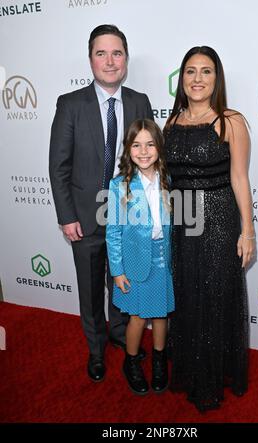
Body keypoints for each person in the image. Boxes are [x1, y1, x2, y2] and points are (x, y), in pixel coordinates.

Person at [49, 24, 153, 383]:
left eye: (117, 53)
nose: (110, 61)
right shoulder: (71, 104)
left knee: (124, 283)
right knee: (91, 288)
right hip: (84, 218)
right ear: (90, 58)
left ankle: (122, 336)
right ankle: (95, 350)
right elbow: (59, 166)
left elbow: (149, 161)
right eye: (101, 53)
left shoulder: (140, 101)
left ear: (125, 59)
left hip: (128, 218)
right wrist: (66, 216)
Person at [164, 46, 255, 412]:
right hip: (183, 221)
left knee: (215, 299)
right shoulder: (170, 124)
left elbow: (240, 179)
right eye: (190, 71)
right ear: (181, 79)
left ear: (216, 79)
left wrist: (247, 231)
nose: (197, 79)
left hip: (219, 220)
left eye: (205, 71)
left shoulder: (230, 121)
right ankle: (190, 368)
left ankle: (213, 377)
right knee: (188, 295)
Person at [106, 119, 174, 395]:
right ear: (128, 149)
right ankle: (131, 362)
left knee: (160, 316)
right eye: (137, 145)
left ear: (159, 147)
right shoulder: (118, 185)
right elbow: (113, 233)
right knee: (136, 318)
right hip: (134, 263)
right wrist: (117, 270)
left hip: (163, 260)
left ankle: (159, 361)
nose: (144, 151)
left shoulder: (168, 180)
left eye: (150, 144)